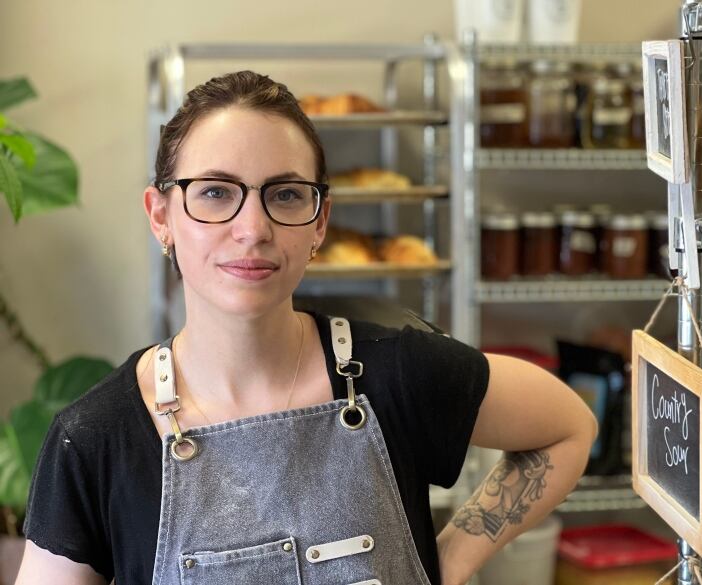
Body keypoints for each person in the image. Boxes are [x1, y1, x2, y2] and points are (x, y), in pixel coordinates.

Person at [15, 71, 597, 585]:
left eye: (286, 194)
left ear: (319, 223)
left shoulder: (398, 373)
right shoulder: (94, 440)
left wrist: (451, 559)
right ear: (161, 216)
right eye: (216, 193)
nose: (252, 228)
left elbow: (567, 426)